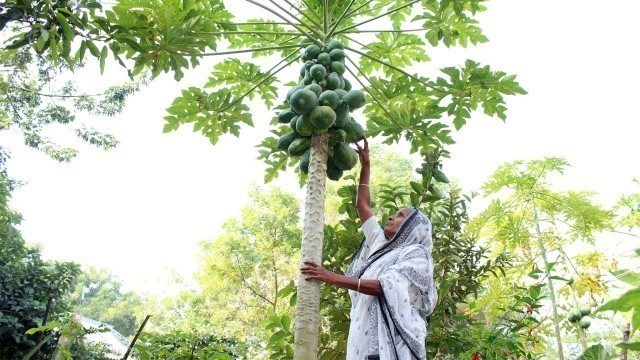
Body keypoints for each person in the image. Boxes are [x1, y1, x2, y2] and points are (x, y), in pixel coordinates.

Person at [300, 138, 437, 360]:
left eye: (400, 215)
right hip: (361, 339)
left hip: (393, 342)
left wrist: (331, 277)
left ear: (413, 228)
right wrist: (366, 167)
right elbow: (363, 205)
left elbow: (385, 287)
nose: (391, 216)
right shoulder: (380, 243)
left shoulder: (417, 254)